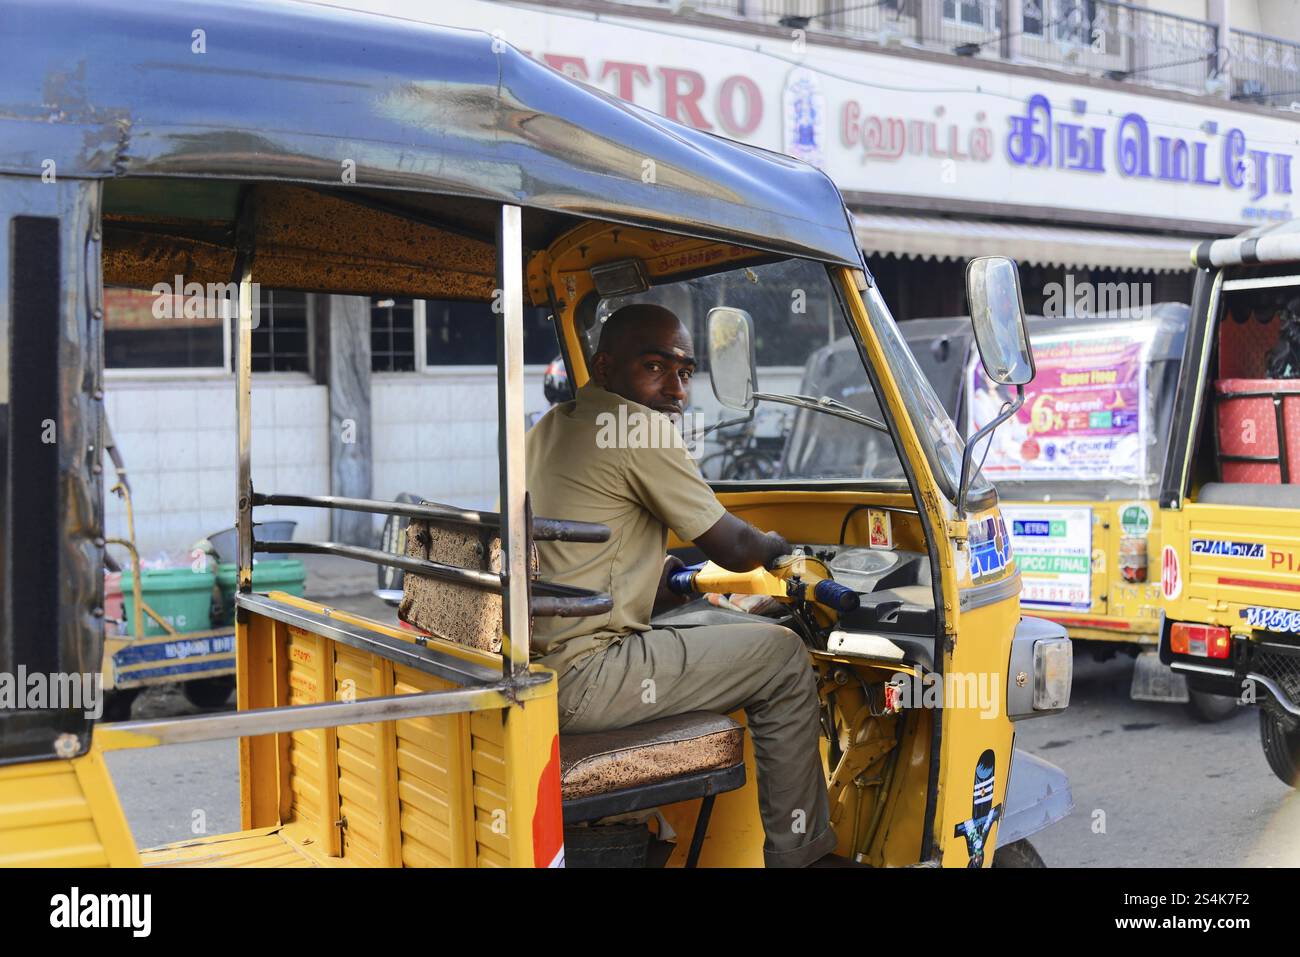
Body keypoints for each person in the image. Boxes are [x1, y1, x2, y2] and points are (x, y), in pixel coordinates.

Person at [525, 302, 843, 867]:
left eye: (685, 372)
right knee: (785, 656)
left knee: (734, 622)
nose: (676, 388)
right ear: (604, 366)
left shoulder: (550, 426)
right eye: (655, 366)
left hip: (540, 664)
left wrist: (685, 585)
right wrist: (783, 546)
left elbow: (603, 564)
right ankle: (805, 854)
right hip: (587, 679)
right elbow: (738, 548)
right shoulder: (637, 427)